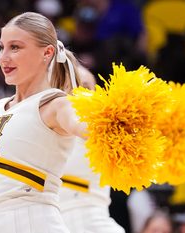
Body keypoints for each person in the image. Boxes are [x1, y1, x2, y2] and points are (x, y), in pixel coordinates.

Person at [0, 12, 87, 233]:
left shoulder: (56, 104)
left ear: (47, 52)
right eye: (2, 47)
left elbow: (85, 126)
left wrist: (121, 122)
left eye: (15, 47)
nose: (3, 57)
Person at [59, 66, 125, 233]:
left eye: (85, 87)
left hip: (87, 215)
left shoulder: (104, 126)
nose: (77, 93)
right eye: (69, 87)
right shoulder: (43, 127)